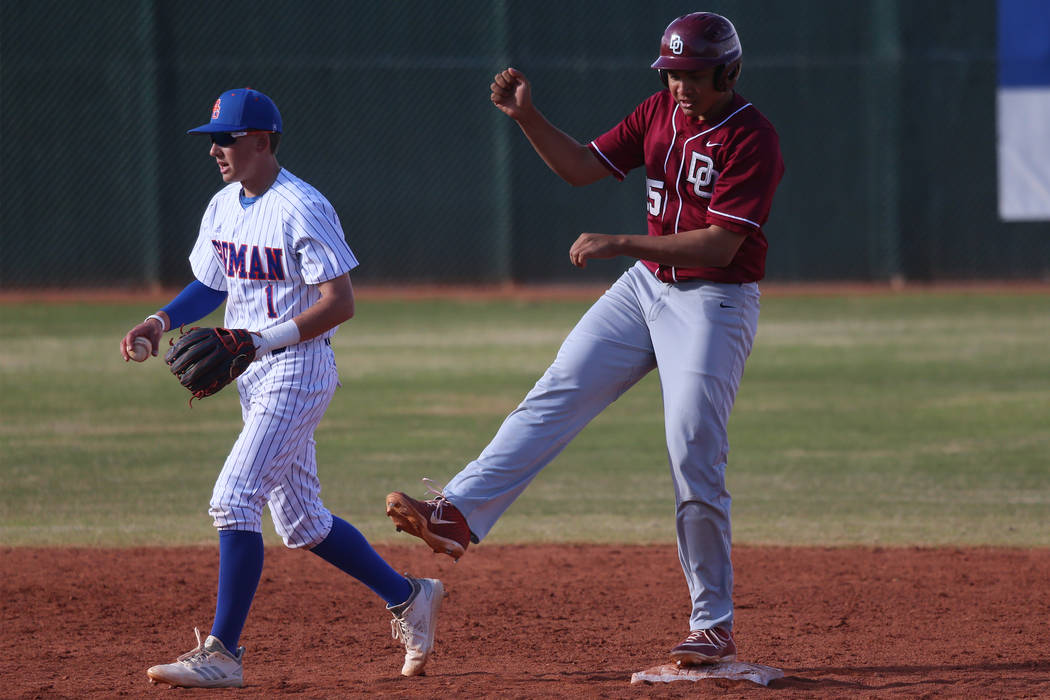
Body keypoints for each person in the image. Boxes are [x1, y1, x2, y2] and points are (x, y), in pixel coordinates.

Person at [385, 12, 783, 667]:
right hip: (646, 288)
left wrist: (620, 241)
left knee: (693, 449)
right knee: (558, 389)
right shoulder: (657, 112)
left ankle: (712, 623)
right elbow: (579, 167)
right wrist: (527, 117)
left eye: (692, 74)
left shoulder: (752, 139)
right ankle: (457, 512)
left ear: (728, 72)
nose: (679, 84)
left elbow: (721, 243)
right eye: (672, 73)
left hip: (716, 301)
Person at [120, 88, 443, 688]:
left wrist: (258, 341)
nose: (215, 149)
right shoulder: (221, 206)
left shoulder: (303, 205)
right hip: (255, 372)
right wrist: (159, 321)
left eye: (227, 139)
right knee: (300, 521)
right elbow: (212, 287)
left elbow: (339, 303)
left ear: (262, 141)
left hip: (298, 368)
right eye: (212, 139)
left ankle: (223, 653)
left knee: (234, 497)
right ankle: (409, 596)